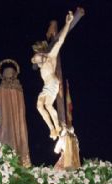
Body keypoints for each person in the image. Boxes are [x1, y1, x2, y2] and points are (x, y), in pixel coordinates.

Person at [31, 11, 75, 141]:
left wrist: (68, 23)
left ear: (41, 51)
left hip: (52, 83)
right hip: (47, 85)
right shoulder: (38, 58)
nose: (36, 58)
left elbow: (60, 40)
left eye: (37, 54)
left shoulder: (51, 56)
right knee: (39, 106)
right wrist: (37, 60)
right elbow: (33, 60)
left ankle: (57, 126)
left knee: (49, 105)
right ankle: (52, 128)